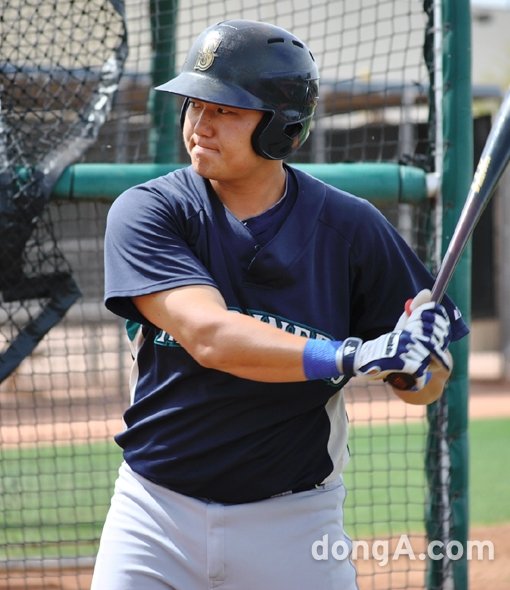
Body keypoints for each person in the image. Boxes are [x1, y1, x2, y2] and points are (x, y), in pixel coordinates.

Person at [91, 19, 468, 590]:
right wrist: (352, 355)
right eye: (196, 104)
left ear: (282, 126)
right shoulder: (150, 212)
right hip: (155, 516)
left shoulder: (352, 229)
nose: (200, 124)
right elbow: (210, 336)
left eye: (226, 110)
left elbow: (425, 388)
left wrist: (421, 361)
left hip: (295, 523)